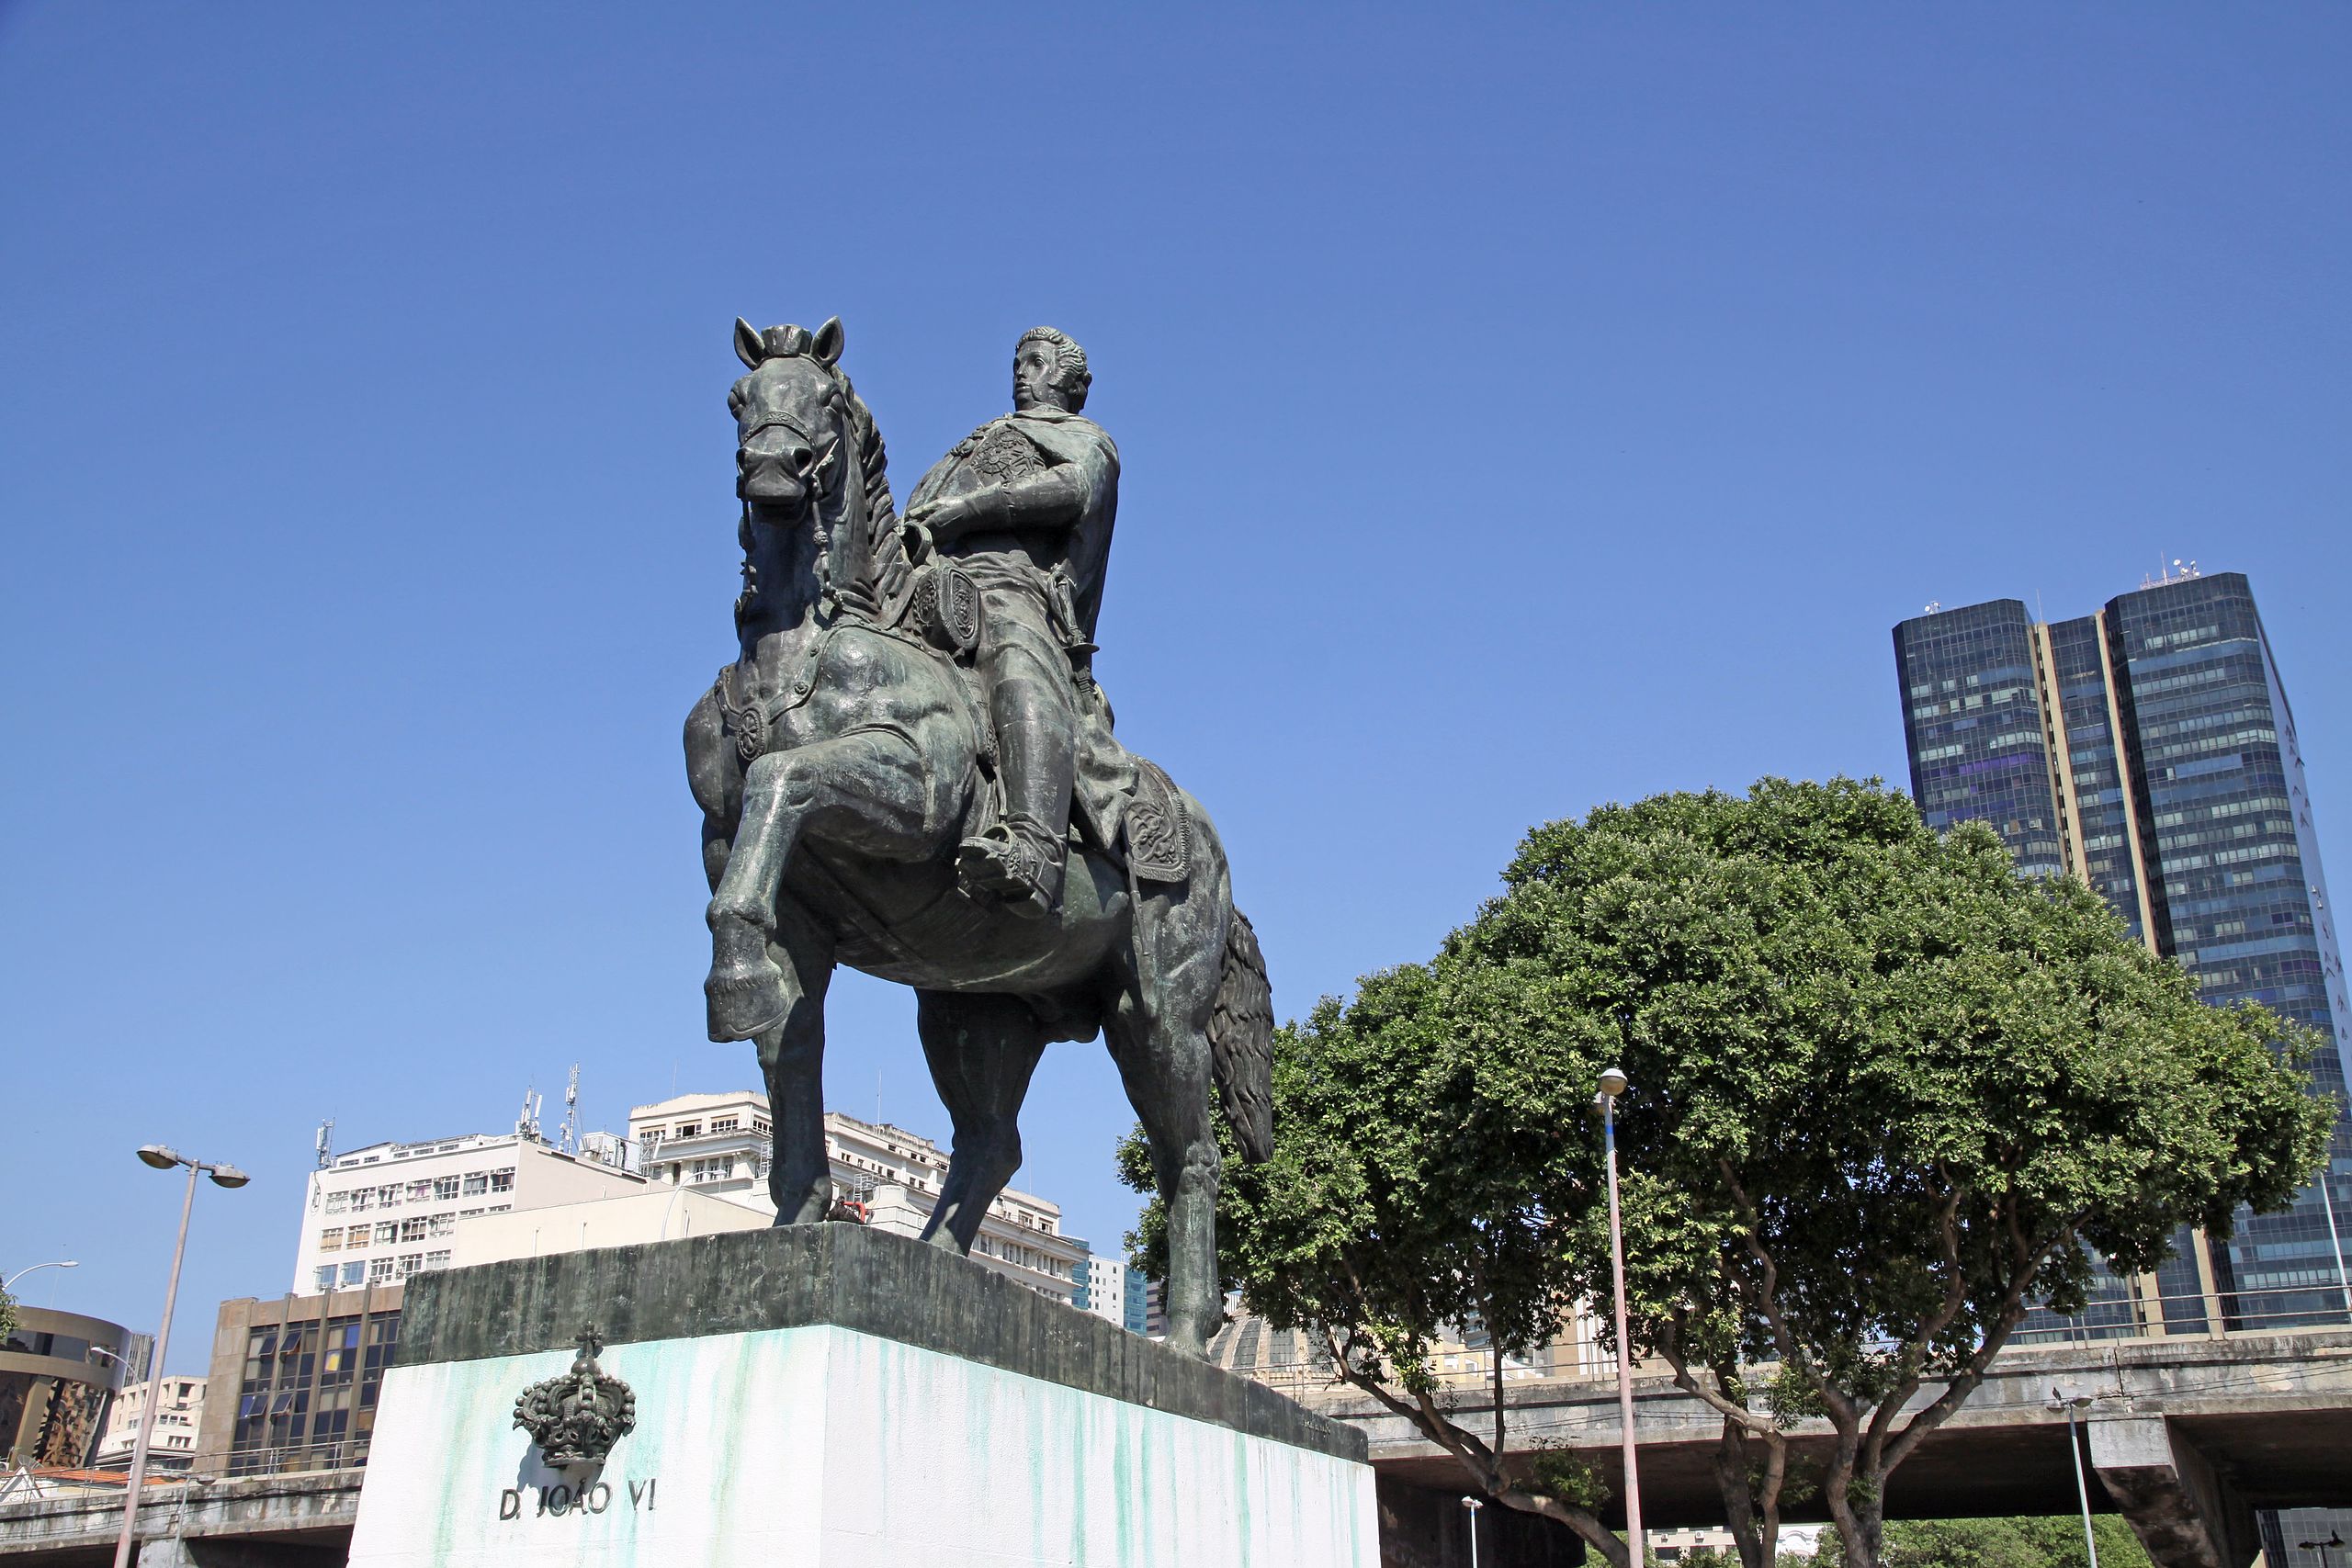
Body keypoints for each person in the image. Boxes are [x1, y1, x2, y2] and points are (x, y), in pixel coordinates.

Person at [900, 327, 1118, 918]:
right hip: (935, 586)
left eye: (1038, 363)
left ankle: (1036, 852)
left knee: (1017, 660)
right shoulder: (979, 439)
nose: (1022, 373)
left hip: (1014, 589)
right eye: (1018, 362)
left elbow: (1073, 490)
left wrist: (969, 511)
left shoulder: (1085, 440)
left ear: (1071, 383)